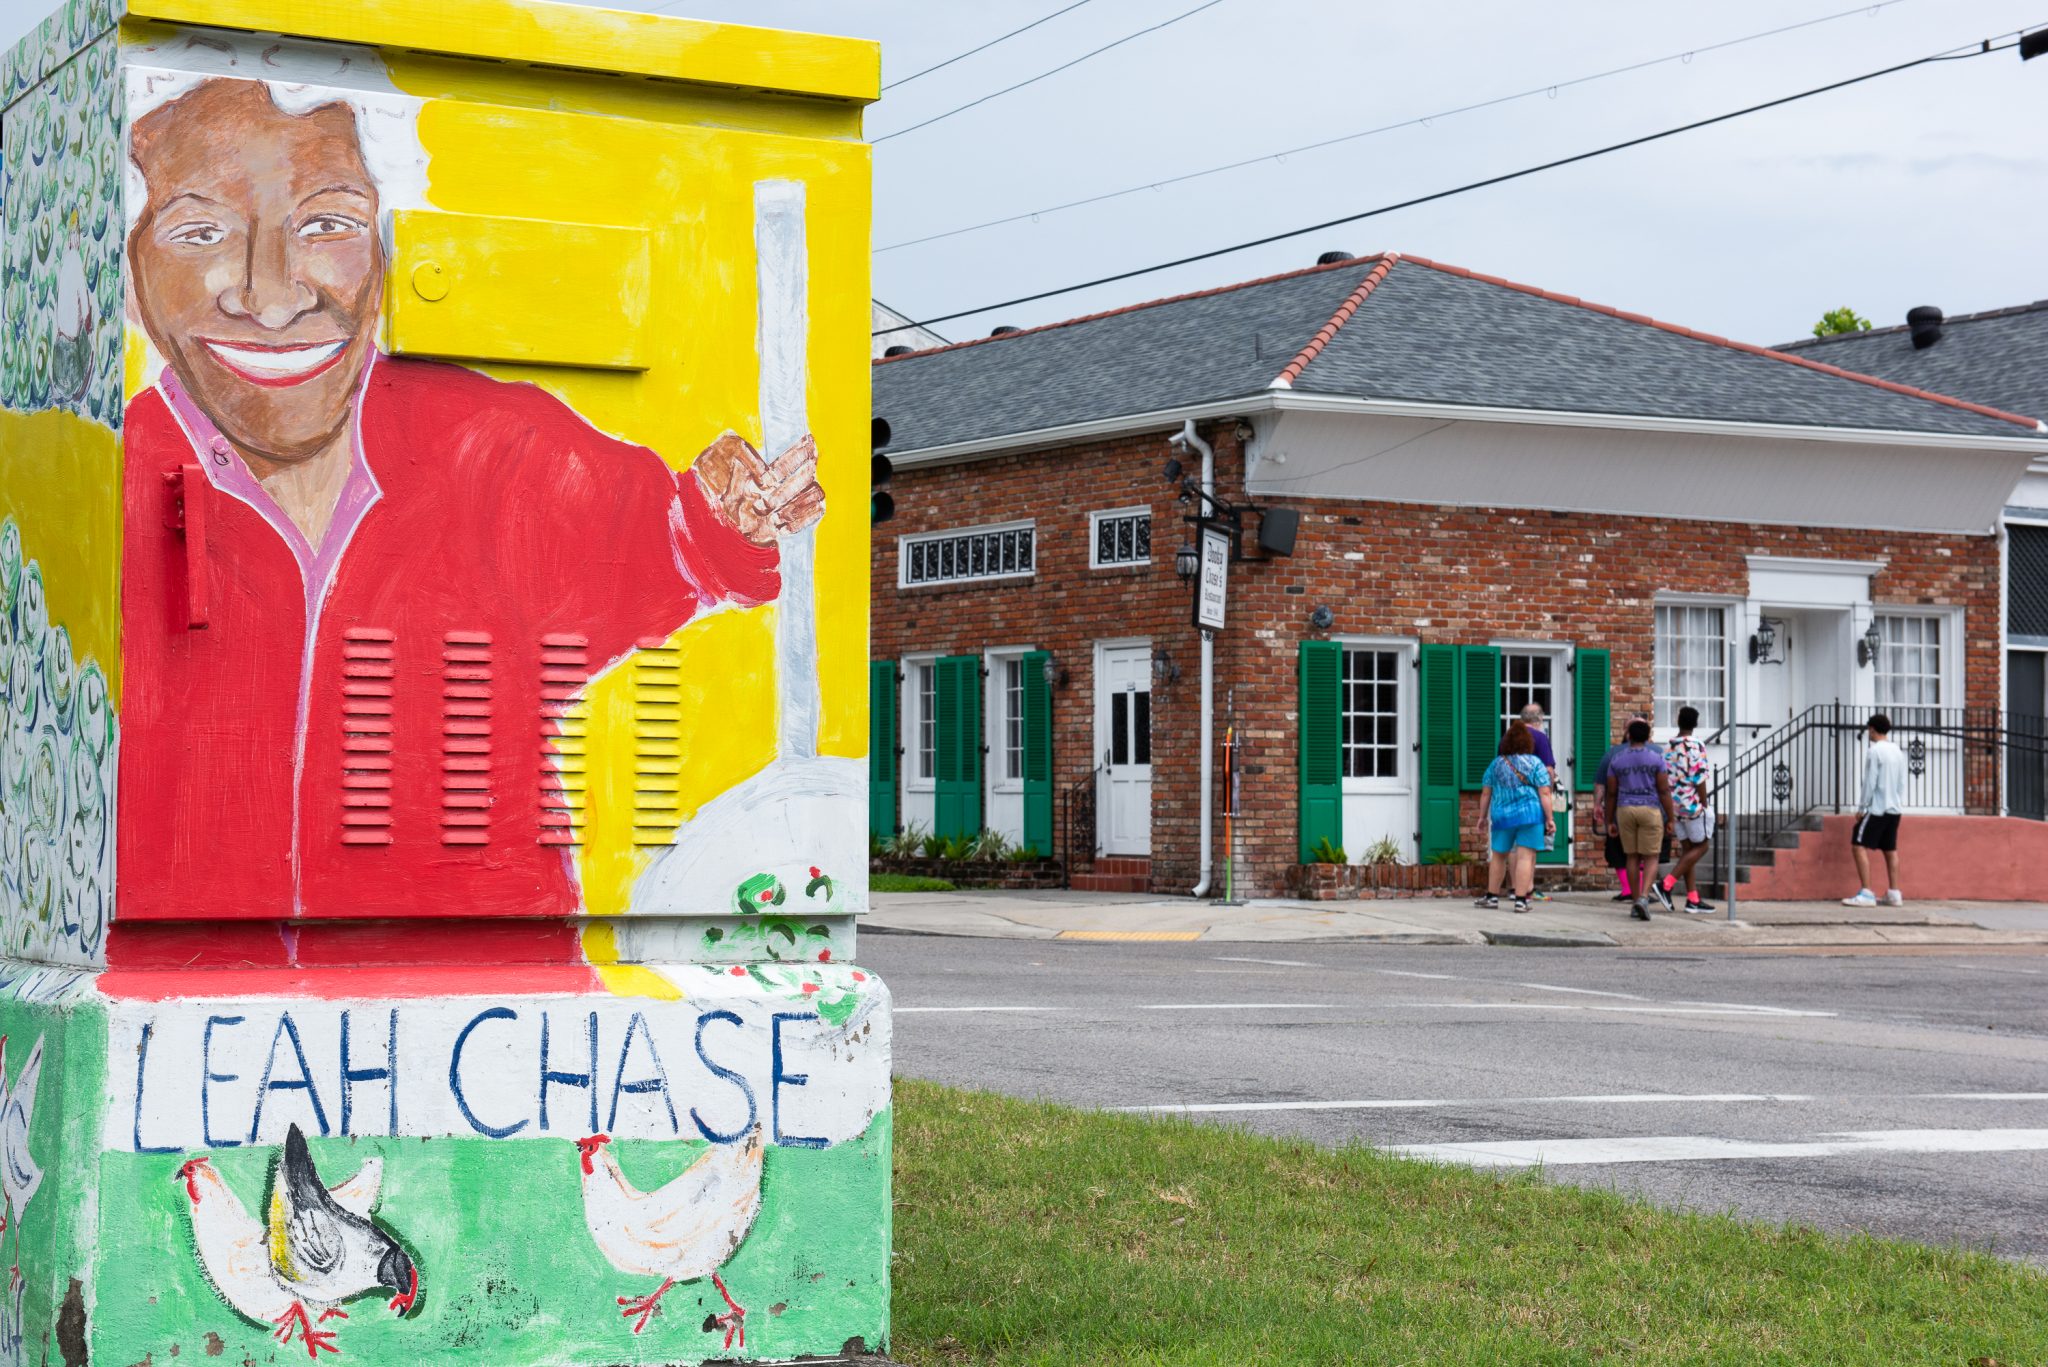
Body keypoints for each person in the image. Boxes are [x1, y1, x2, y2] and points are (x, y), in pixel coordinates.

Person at [120, 77, 828, 920]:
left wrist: (721, 522)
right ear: (132, 280)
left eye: (328, 225)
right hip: (189, 986)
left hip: (497, 994)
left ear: (385, 260)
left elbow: (650, 538)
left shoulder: (487, 449)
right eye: (201, 233)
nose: (272, 296)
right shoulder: (105, 476)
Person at [1475, 721, 1555, 915]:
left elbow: (1486, 793)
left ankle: (1492, 896)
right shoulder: (1536, 763)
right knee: (1525, 856)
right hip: (1530, 815)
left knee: (1499, 856)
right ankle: (1520, 900)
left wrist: (1482, 817)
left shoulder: (1496, 764)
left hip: (1502, 816)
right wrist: (1549, 818)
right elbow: (1544, 793)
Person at [1603, 719, 1676, 920]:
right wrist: (1670, 817)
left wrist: (1609, 821)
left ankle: (1636, 901)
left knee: (1632, 857)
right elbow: (1663, 790)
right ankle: (1644, 897)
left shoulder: (1617, 760)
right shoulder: (1656, 758)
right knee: (1651, 856)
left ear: (1629, 736)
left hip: (1625, 809)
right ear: (1647, 737)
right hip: (1650, 808)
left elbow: (1611, 793)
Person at [1843, 713, 1908, 907]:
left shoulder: (1874, 751)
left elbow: (1869, 783)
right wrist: (1896, 800)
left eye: (1868, 729)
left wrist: (1862, 807)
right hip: (1894, 809)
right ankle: (1895, 893)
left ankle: (1866, 893)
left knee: (1858, 843)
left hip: (1878, 808)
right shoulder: (1897, 751)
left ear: (1872, 728)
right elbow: (1901, 782)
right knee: (1890, 849)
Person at [1660, 706, 1717, 912]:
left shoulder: (1668, 747)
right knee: (1702, 847)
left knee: (1688, 851)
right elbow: (1699, 777)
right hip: (1692, 804)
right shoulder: (1696, 746)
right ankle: (1665, 884)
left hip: (1675, 805)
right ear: (1695, 724)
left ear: (1678, 722)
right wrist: (1705, 803)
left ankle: (1692, 898)